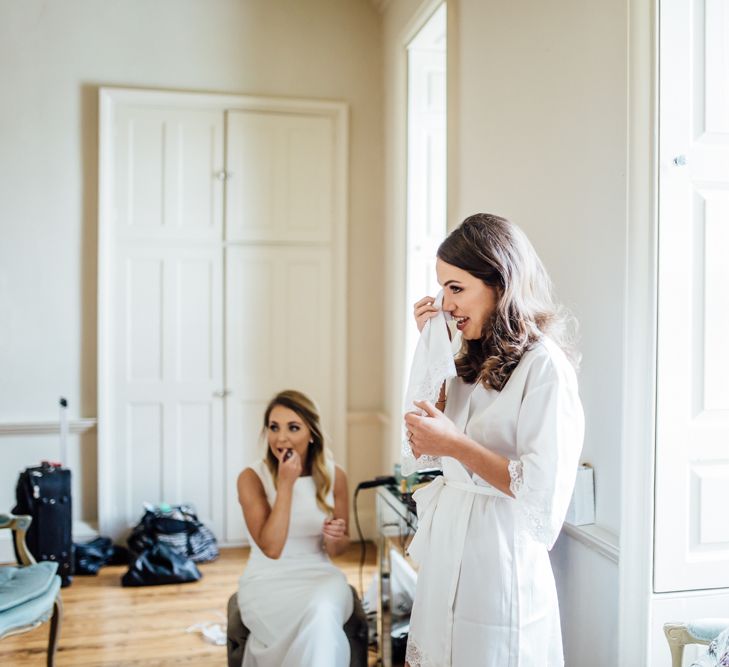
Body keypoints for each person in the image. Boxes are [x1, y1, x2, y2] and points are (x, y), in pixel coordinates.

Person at [403, 213, 585, 667]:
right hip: (450, 545)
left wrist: (455, 446)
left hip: (499, 555)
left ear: (500, 284)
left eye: (457, 288)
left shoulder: (546, 369)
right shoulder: (469, 356)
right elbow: (423, 439)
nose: (444, 303)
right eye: (442, 287)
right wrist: (433, 347)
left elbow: (540, 494)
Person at [236, 390, 352, 667]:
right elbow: (272, 548)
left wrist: (334, 537)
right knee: (313, 626)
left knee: (321, 614)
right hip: (266, 580)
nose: (281, 438)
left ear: (312, 434)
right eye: (274, 427)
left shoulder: (335, 477)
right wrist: (285, 485)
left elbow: (339, 549)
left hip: (320, 575)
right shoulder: (252, 477)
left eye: (293, 428)